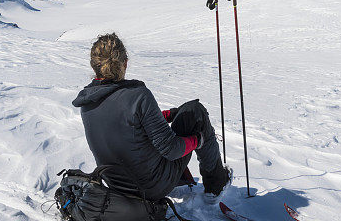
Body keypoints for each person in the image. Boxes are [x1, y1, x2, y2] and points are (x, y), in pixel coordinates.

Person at [72, 33, 231, 202]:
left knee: (177, 118)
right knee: (194, 111)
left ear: (94, 65)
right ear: (125, 63)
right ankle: (217, 185)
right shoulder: (138, 96)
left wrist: (165, 115)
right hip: (150, 187)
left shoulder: (88, 100)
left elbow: (125, 125)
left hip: (117, 185)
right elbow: (171, 149)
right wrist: (198, 140)